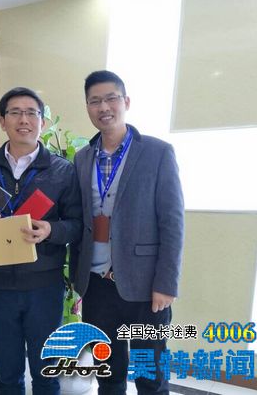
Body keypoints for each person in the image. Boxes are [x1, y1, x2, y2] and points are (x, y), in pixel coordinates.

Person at [0, 87, 82, 395]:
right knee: (7, 375)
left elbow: (77, 225)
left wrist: (50, 230)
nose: (24, 120)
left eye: (32, 113)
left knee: (46, 375)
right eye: (15, 113)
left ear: (42, 122)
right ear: (2, 121)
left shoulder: (62, 171)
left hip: (44, 288)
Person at [70, 70, 185, 394]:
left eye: (111, 98)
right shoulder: (82, 158)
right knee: (109, 370)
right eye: (95, 101)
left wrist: (166, 283)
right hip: (96, 285)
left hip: (145, 286)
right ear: (88, 107)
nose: (103, 107)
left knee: (150, 373)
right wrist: (78, 281)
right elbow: (80, 220)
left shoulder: (157, 152)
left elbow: (172, 222)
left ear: (126, 102)